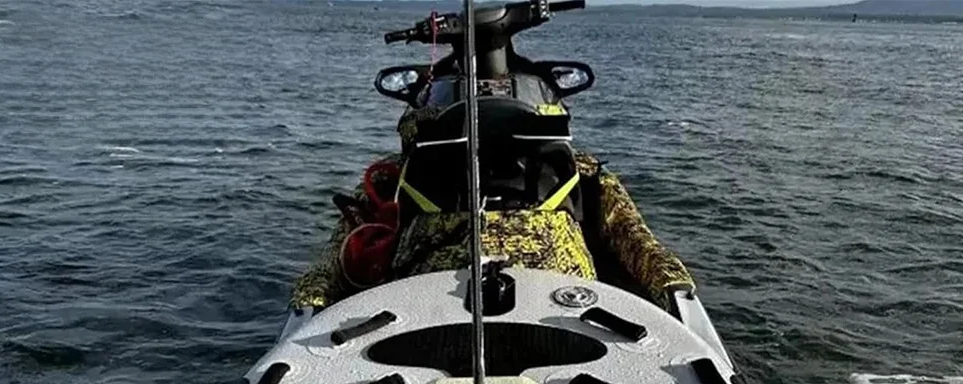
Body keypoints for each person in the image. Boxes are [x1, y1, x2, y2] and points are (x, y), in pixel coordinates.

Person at [292, 106, 695, 315]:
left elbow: (331, 266)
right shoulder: (583, 173)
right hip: (569, 299)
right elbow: (640, 246)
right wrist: (677, 298)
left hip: (423, 302)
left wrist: (310, 307)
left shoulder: (391, 178)